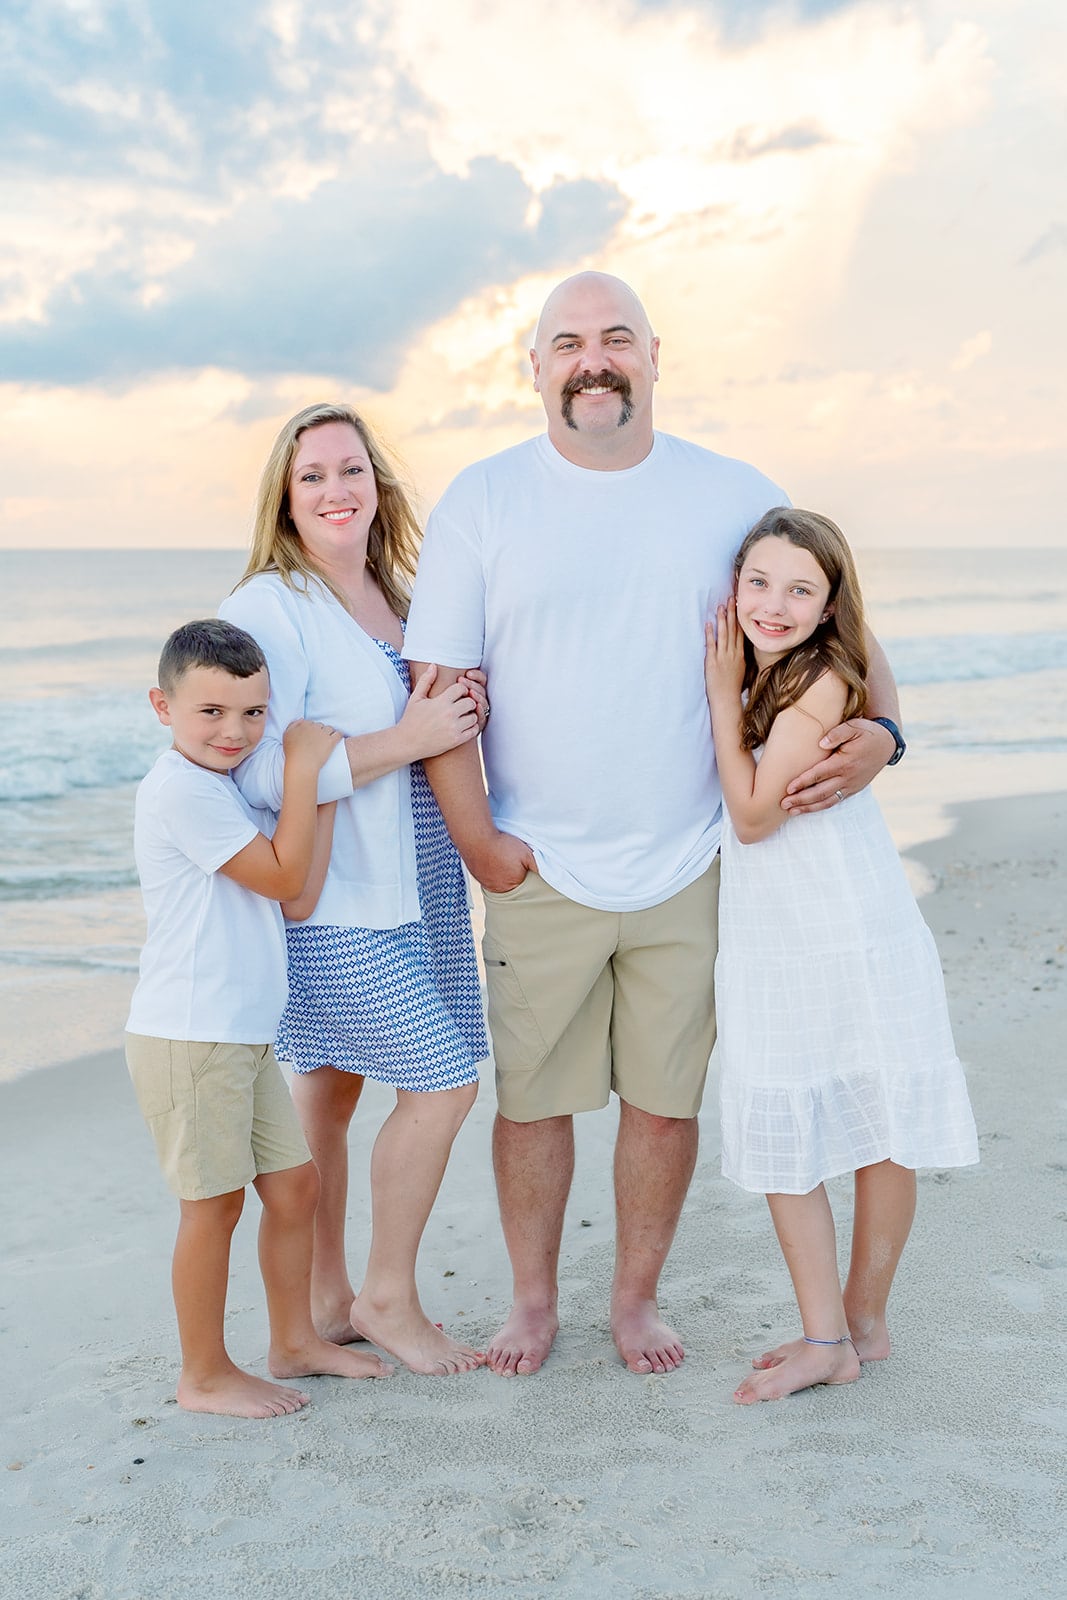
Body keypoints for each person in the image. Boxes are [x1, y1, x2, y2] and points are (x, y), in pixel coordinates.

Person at [403, 270, 904, 1377]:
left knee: (663, 1106)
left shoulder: (728, 491)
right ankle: (533, 1304)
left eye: (615, 337)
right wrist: (480, 842)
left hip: (696, 856)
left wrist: (884, 735)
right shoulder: (485, 499)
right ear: (532, 366)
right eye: (569, 341)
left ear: (653, 356)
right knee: (532, 1105)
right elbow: (436, 688)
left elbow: (850, 630)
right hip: (540, 859)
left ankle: (635, 1301)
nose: (594, 358)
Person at [218, 403, 490, 1376]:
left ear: (378, 482)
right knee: (444, 1083)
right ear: (284, 501)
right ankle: (388, 1296)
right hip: (333, 903)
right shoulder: (265, 608)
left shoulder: (401, 593)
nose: (336, 490)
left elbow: (439, 719)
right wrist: (408, 740)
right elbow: (253, 773)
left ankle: (323, 1301)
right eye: (312, 477)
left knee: (328, 1091)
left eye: (350, 469)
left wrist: (461, 714)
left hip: (421, 889)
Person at [705, 508, 979, 1404]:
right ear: (734, 581)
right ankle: (857, 1325)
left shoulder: (811, 680)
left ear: (830, 605)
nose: (774, 604)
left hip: (818, 928)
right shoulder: (795, 663)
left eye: (799, 589)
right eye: (759, 583)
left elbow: (752, 817)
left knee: (826, 1118)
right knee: (868, 1109)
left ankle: (833, 1335)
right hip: (822, 920)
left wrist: (717, 700)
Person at [126, 618, 393, 1418]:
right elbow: (282, 879)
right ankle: (203, 1375)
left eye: (252, 713)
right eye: (211, 712)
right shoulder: (181, 790)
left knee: (294, 1187)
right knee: (214, 1205)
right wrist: (307, 770)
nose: (235, 731)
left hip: (239, 1035)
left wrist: (326, 786)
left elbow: (299, 893)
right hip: (189, 1033)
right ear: (162, 707)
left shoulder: (220, 787)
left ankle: (292, 1341)